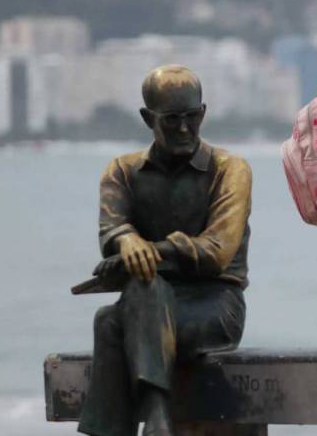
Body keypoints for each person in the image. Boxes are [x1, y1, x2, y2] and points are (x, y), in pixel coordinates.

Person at [78, 65, 252, 436]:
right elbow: (111, 228)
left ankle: (154, 419)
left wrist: (146, 251)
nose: (185, 128)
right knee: (124, 307)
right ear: (148, 118)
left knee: (113, 320)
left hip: (214, 304)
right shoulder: (122, 171)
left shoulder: (229, 170)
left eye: (192, 117)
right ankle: (156, 418)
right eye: (172, 119)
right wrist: (125, 239)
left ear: (203, 113)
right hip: (146, 300)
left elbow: (217, 252)